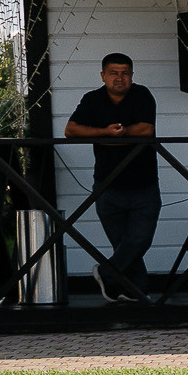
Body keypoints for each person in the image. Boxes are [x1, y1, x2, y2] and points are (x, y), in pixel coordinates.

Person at [64, 52, 159, 301]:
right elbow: (71, 129)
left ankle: (106, 273)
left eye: (125, 73)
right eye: (114, 73)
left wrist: (124, 130)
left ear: (132, 75)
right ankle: (137, 293)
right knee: (123, 244)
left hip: (144, 183)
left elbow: (147, 129)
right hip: (107, 184)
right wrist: (103, 132)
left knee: (140, 239)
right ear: (103, 75)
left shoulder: (142, 95)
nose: (120, 78)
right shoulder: (92, 99)